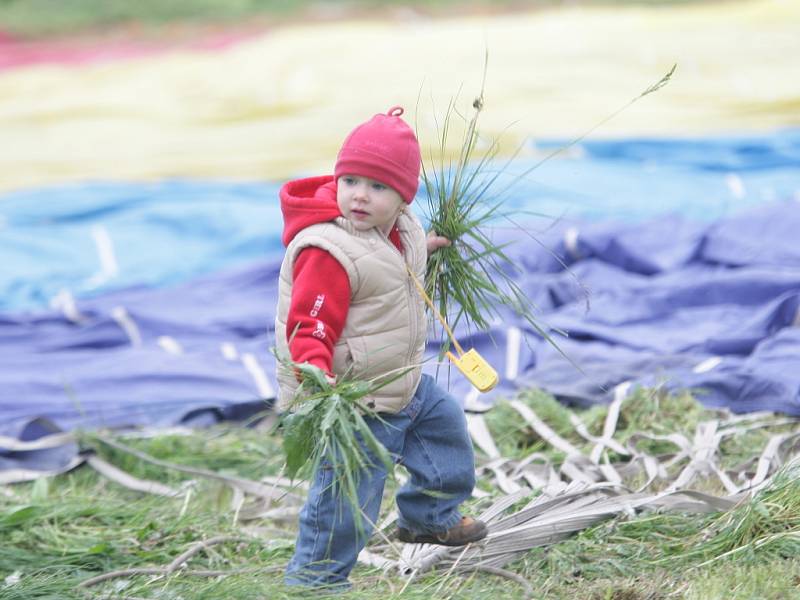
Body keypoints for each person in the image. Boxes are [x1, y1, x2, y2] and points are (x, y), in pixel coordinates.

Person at [274, 106, 487, 589]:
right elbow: (310, 322)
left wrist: (425, 248)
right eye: (350, 181)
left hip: (400, 381)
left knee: (445, 427)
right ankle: (315, 580)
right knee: (348, 496)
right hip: (354, 397)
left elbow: (389, 263)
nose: (361, 196)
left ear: (403, 197)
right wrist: (314, 369)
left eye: (378, 187)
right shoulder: (328, 250)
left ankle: (428, 516)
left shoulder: (399, 230)